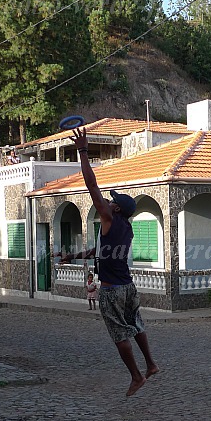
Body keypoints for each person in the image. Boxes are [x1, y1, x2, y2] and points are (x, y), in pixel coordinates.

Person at [59, 127, 158, 396]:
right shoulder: (126, 227)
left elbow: (92, 185)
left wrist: (82, 151)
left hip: (112, 289)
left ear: (115, 209)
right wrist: (72, 256)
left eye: (110, 202)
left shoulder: (109, 218)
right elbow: (100, 251)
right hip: (128, 287)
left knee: (119, 334)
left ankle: (137, 376)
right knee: (136, 323)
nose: (106, 201)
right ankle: (150, 364)